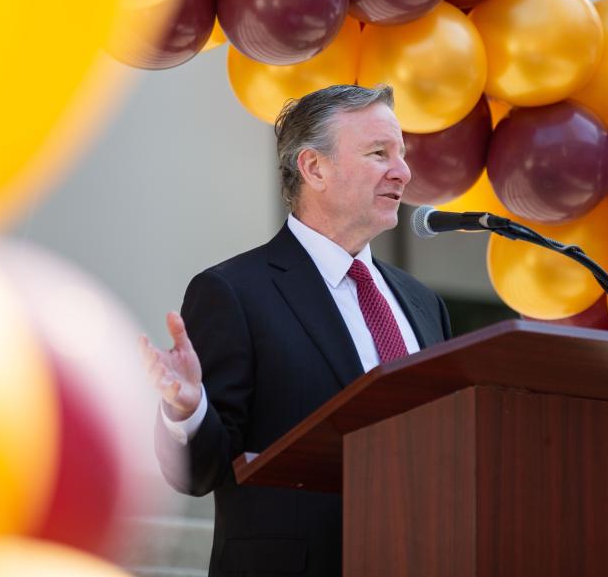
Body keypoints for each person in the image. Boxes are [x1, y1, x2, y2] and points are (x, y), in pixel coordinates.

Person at [142, 84, 451, 576]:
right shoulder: (234, 293)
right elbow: (203, 472)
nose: (403, 171)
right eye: (379, 153)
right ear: (314, 168)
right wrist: (188, 409)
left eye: (402, 154)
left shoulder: (423, 303)